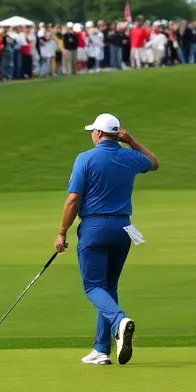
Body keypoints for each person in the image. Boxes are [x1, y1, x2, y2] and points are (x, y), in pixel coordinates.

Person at [55, 113, 159, 366]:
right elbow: (153, 163)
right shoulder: (130, 157)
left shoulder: (85, 159)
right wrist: (131, 140)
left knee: (93, 286)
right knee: (108, 288)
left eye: (93, 131)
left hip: (95, 227)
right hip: (123, 228)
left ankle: (119, 321)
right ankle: (101, 350)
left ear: (99, 133)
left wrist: (62, 231)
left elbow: (72, 199)